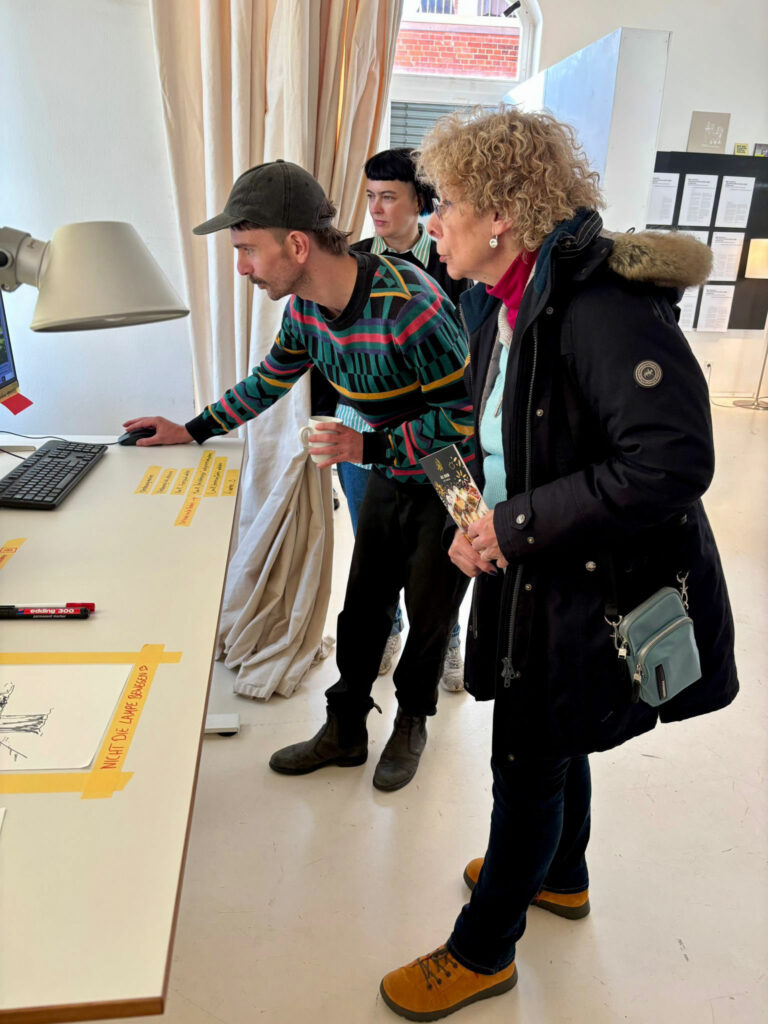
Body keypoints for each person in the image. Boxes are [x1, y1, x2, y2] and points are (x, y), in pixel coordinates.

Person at [378, 109, 739, 1019]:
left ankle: (484, 950)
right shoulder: (500, 301)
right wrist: (471, 517)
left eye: (447, 203)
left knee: (525, 757)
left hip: (584, 581)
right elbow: (494, 435)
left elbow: (671, 462)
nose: (432, 221)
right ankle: (562, 874)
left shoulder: (601, 308)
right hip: (536, 562)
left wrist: (513, 525)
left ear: (502, 214)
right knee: (553, 735)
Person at [123, 159, 473, 792]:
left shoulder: (411, 304)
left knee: (430, 612)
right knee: (363, 608)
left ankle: (410, 724)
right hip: (387, 462)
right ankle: (346, 730)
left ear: (297, 245)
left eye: (248, 249)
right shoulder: (307, 311)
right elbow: (269, 380)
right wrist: (193, 428)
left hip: (450, 476)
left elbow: (461, 424)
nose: (242, 267)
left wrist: (367, 446)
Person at [340, 147, 473, 688]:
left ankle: (447, 637)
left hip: (443, 436)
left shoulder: (454, 259)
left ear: (419, 202)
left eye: (389, 197)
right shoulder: (348, 261)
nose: (376, 208)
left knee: (454, 544)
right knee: (371, 550)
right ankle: (388, 630)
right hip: (363, 434)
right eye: (370, 196)